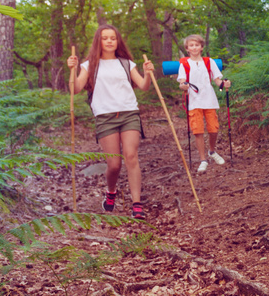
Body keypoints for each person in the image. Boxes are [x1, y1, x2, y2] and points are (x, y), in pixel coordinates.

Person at [67, 25, 156, 219]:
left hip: (129, 113)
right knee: (114, 164)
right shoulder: (89, 65)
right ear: (98, 41)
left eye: (113, 38)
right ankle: (111, 191)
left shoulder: (126, 63)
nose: (109, 41)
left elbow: (143, 86)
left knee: (131, 156)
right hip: (105, 117)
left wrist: (147, 73)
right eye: (105, 38)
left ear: (118, 41)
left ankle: (137, 204)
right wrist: (72, 71)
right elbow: (75, 89)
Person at [177, 34, 232, 173]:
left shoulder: (209, 62)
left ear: (201, 47)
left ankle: (212, 152)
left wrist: (224, 84)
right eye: (191, 45)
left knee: (214, 128)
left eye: (197, 45)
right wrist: (183, 86)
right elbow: (182, 81)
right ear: (187, 49)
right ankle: (203, 160)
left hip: (209, 99)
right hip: (194, 101)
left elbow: (217, 81)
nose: (194, 48)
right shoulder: (184, 64)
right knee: (198, 130)